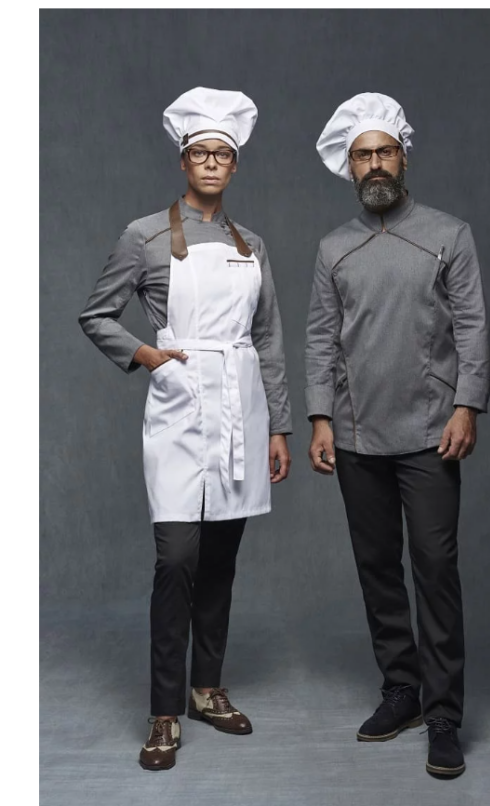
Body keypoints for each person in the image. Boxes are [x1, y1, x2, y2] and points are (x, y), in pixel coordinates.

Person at [79, 86, 292, 771]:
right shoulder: (143, 236)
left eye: (222, 155)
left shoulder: (251, 245)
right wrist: (146, 355)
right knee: (176, 559)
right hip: (178, 406)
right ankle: (164, 711)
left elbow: (269, 338)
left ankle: (206, 689)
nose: (211, 164)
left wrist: (278, 427)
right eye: (200, 153)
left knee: (221, 560)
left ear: (234, 166)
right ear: (183, 161)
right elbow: (97, 315)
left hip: (240, 407)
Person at [305, 92, 490, 778]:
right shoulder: (333, 248)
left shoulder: (449, 234)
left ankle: (443, 715)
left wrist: (467, 404)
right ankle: (402, 691)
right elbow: (320, 338)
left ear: (404, 157)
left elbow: (471, 326)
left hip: (431, 432)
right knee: (378, 567)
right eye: (363, 155)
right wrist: (320, 417)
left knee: (435, 569)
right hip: (357, 435)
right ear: (348, 167)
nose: (375, 163)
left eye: (385, 151)